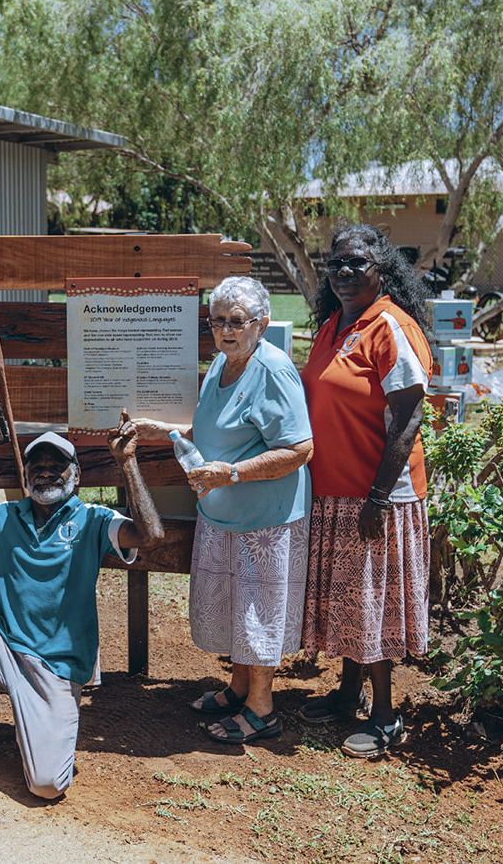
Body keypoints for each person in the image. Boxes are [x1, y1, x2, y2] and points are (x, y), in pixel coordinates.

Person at [0, 413, 164, 799]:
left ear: (76, 475)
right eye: (37, 464)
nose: (46, 471)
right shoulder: (1, 517)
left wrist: (127, 462)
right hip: (4, 649)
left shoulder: (94, 519)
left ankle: (42, 718)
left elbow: (150, 535)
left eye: (57, 464)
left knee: (47, 785)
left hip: (57, 666)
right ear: (25, 475)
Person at [133, 276, 313, 744]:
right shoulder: (221, 363)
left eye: (237, 321)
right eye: (217, 321)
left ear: (261, 324)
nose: (226, 331)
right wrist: (161, 429)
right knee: (236, 605)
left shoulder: (273, 369)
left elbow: (299, 449)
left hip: (266, 520)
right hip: (223, 513)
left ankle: (262, 709)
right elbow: (212, 428)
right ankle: (239, 688)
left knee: (259, 611)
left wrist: (231, 474)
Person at [300, 222, 432, 759]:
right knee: (350, 601)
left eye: (359, 263)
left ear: (383, 269)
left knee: (372, 605)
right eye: (337, 263)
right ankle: (347, 693)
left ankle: (385, 714)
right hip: (335, 490)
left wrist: (378, 497)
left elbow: (408, 414)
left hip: (378, 496)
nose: (346, 272)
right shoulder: (333, 325)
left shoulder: (390, 326)